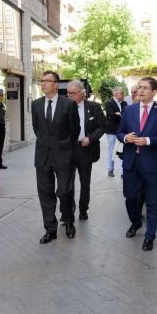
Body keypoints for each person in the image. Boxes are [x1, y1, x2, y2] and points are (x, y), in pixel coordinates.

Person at [117, 77, 157, 251]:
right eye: (139, 87)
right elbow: (120, 132)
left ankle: (150, 236)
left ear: (154, 92)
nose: (140, 91)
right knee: (131, 197)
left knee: (152, 202)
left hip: (151, 164)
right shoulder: (129, 110)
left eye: (145, 88)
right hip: (130, 162)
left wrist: (148, 140)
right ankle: (135, 223)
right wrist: (126, 138)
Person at [32, 71, 79, 243]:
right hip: (43, 156)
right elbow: (38, 130)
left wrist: (64, 146)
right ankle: (50, 230)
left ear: (56, 84)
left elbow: (75, 131)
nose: (43, 84)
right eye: (41, 81)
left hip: (64, 155)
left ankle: (68, 221)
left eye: (47, 81)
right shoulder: (36, 104)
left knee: (65, 191)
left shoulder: (68, 104)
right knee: (45, 194)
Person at [67, 80, 105, 221]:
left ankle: (83, 209)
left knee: (85, 182)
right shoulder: (65, 107)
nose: (70, 96)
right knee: (67, 182)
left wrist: (90, 138)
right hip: (69, 150)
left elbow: (102, 126)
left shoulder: (94, 107)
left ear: (82, 93)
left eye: (73, 93)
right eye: (68, 93)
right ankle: (68, 212)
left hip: (85, 149)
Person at [104, 87, 127, 177]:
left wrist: (118, 114)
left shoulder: (124, 103)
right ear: (116, 94)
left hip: (122, 130)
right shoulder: (109, 103)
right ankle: (110, 169)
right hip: (111, 130)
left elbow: (126, 115)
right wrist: (118, 115)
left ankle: (123, 172)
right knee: (112, 150)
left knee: (122, 151)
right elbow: (112, 116)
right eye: (122, 93)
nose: (123, 95)